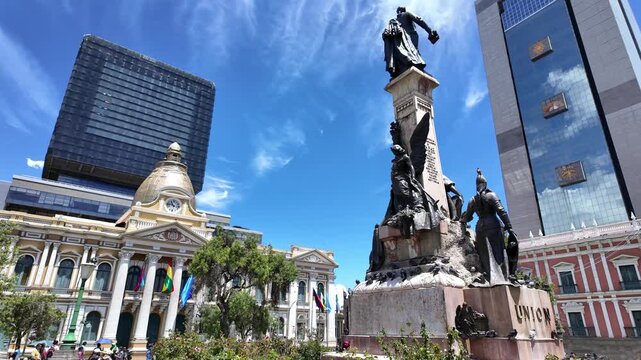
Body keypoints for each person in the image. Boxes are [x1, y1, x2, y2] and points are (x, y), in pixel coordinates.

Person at [461, 169, 516, 282]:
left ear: (477, 186)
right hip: (493, 224)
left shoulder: (473, 199)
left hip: (480, 227)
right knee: (498, 251)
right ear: (485, 184)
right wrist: (509, 227)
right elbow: (501, 211)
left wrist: (461, 221)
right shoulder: (491, 195)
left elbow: (468, 217)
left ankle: (489, 277)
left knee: (484, 253)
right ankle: (503, 277)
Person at [382, 7, 439, 78]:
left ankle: (401, 69)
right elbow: (419, 20)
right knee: (413, 54)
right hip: (410, 37)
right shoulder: (406, 14)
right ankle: (413, 67)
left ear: (399, 11)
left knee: (409, 53)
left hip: (401, 39)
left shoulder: (394, 22)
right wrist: (429, 30)